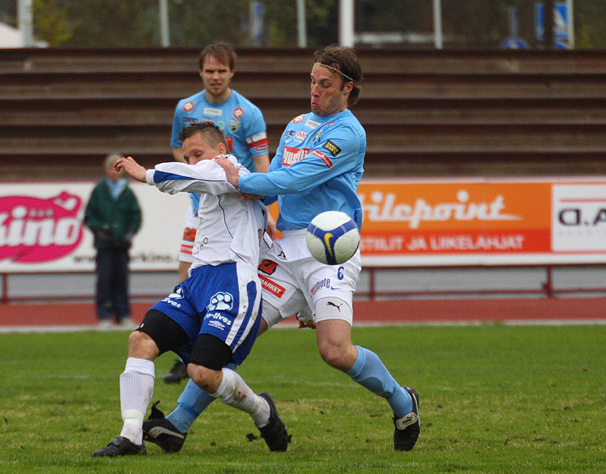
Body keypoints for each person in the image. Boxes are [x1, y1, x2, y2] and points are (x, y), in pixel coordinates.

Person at [150, 45, 421, 453]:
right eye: (312, 81)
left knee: (334, 351)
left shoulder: (348, 133)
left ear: (348, 88)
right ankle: (177, 423)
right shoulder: (297, 124)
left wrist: (239, 182)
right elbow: (275, 174)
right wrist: (255, 207)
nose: (314, 91)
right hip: (282, 249)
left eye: (325, 84)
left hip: (328, 249)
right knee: (233, 334)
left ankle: (403, 402)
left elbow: (295, 180)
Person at [92, 122, 288, 457]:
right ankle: (130, 435)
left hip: (231, 282)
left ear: (222, 148)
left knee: (203, 374)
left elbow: (204, 175)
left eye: (197, 153)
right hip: (197, 282)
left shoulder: (230, 170)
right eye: (187, 156)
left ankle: (263, 412)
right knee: (140, 340)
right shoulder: (220, 190)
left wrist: (147, 174)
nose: (193, 161)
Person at [165, 41, 271, 384]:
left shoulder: (248, 113)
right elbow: (178, 150)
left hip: (236, 212)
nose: (215, 77)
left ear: (232, 73)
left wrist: (264, 203)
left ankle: (217, 344)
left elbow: (260, 164)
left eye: (221, 71)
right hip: (198, 210)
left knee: (234, 276)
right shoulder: (186, 107)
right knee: (186, 279)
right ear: (200, 72)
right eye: (209, 70)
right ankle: (187, 353)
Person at [84, 153, 141, 328]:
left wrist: (129, 234)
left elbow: (135, 216)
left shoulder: (127, 192)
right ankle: (104, 315)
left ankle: (123, 314)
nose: (114, 173)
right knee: (104, 279)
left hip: (121, 245)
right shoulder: (99, 190)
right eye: (111, 169)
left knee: (121, 280)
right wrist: (99, 231)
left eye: (117, 169)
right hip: (104, 245)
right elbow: (90, 215)